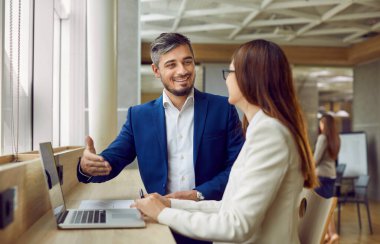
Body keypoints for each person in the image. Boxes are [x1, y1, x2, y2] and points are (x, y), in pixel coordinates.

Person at [133, 39, 319, 243]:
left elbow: (237, 226)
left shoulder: (270, 134)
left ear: (249, 78)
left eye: (230, 73)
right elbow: (227, 207)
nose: (227, 80)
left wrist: (161, 214)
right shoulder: (264, 129)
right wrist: (169, 205)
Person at [77, 33, 245, 243]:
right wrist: (88, 166)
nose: (182, 71)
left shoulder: (223, 108)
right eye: (171, 65)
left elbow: (238, 169)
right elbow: (112, 161)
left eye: (187, 62)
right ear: (156, 70)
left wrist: (196, 194)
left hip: (208, 219)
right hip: (159, 221)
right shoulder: (139, 116)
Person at [314, 114, 340, 244]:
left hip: (321, 176)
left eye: (321, 123)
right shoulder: (336, 138)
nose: (320, 125)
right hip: (331, 176)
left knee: (318, 206)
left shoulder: (322, 138)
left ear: (325, 125)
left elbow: (316, 159)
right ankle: (331, 234)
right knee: (328, 205)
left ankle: (324, 234)